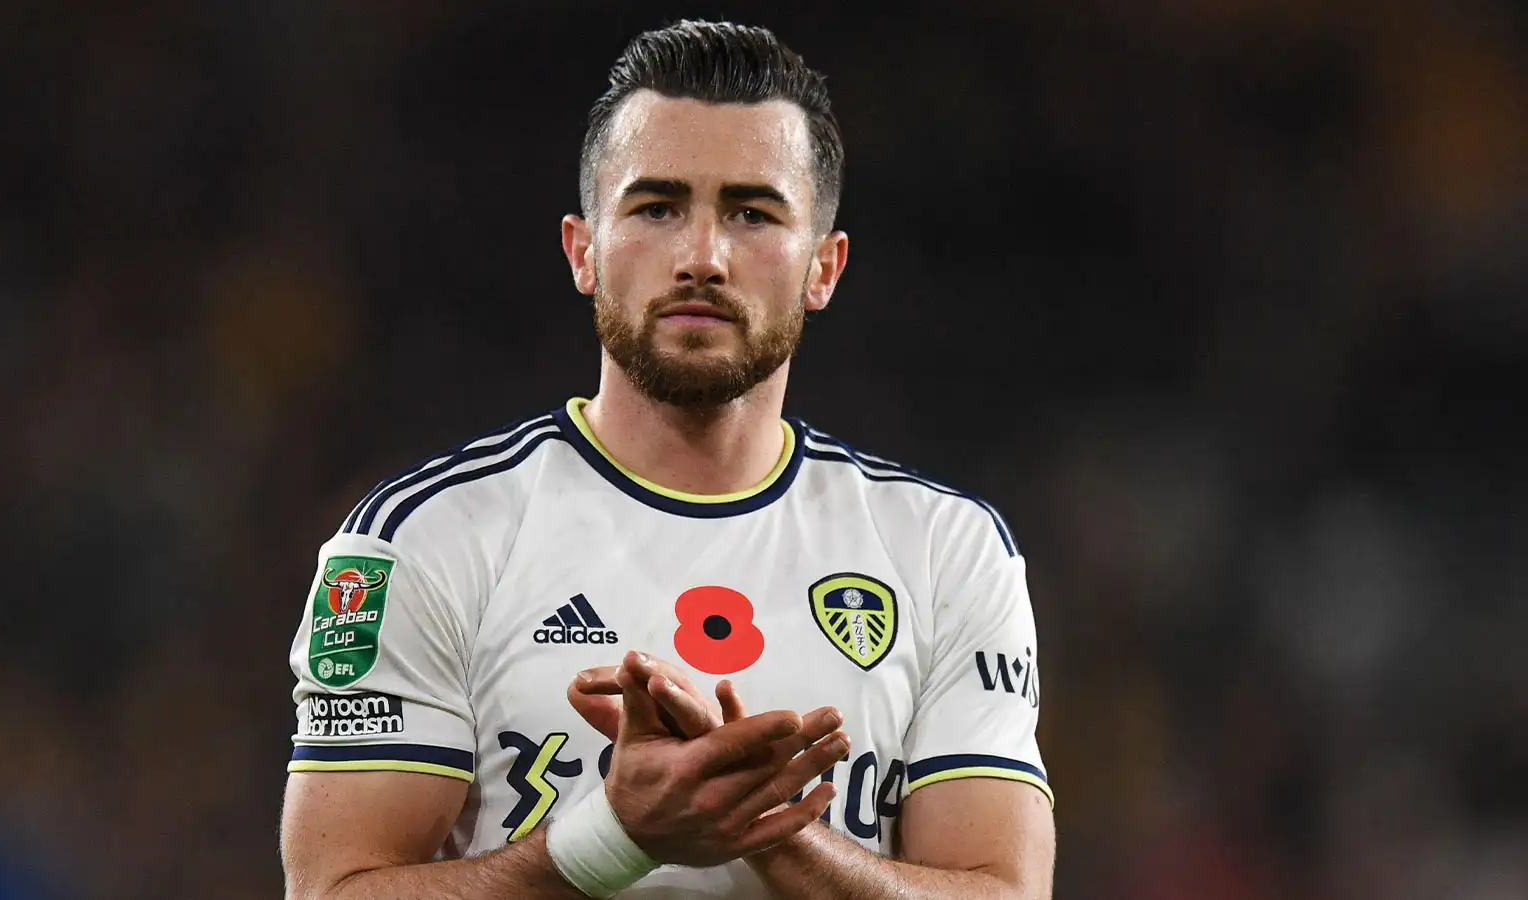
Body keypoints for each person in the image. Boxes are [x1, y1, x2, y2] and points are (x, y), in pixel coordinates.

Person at [280, 18, 1055, 899]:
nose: (702, 257)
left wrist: (755, 825)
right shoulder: (423, 540)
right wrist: (611, 837)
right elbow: (330, 890)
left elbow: (1004, 890)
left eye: (752, 213)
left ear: (823, 268)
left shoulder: (946, 552)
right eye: (656, 207)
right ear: (583, 251)